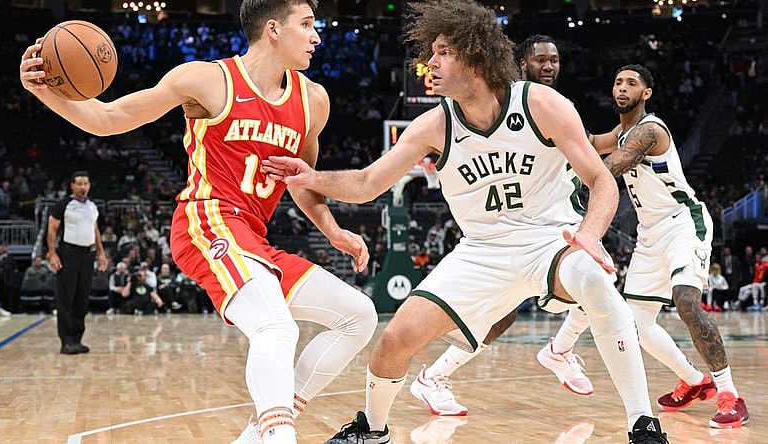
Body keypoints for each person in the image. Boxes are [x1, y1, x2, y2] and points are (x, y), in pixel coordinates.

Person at [263, 2, 666, 442]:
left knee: (594, 280)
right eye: (431, 53)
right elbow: (366, 183)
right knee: (394, 341)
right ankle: (372, 430)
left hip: (550, 241)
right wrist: (311, 176)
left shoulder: (540, 103)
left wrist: (589, 234)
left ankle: (643, 425)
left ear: (474, 57)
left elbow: (601, 180)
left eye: (442, 53)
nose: (430, 64)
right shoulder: (433, 125)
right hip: (481, 253)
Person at [21, 1, 378, 442]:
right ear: (273, 29)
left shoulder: (314, 100)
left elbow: (301, 180)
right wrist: (44, 91)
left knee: (358, 316)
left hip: (253, 240)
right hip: (206, 221)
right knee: (275, 327)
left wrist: (334, 231)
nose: (316, 36)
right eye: (306, 25)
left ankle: (261, 432)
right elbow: (108, 118)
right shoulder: (206, 80)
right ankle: (277, 435)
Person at [538, 64, 749, 429]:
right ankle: (693, 381)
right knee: (637, 322)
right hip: (649, 234)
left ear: (646, 93)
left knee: (686, 300)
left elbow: (610, 167)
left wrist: (566, 184)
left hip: (682, 221)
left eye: (631, 83)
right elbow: (588, 141)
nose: (622, 88)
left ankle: (730, 394)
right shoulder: (621, 132)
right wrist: (552, 119)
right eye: (618, 82)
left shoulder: (650, 130)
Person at [409, 33, 587, 417]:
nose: (549, 66)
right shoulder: (496, 104)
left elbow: (588, 147)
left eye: (554, 59)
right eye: (540, 59)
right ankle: (434, 376)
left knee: (596, 280)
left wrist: (623, 143)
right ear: (521, 64)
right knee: (498, 316)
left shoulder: (552, 105)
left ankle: (560, 349)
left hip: (550, 226)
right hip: (496, 233)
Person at [46, 171, 109, 354]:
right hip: (69, 253)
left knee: (82, 298)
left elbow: (95, 230)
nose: (83, 187)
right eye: (79, 184)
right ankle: (66, 341)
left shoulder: (92, 206)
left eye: (85, 184)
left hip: (88, 255)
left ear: (89, 186)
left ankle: (77, 339)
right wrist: (53, 254)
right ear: (72, 186)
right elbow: (52, 229)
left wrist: (101, 253)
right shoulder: (63, 204)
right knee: (66, 298)